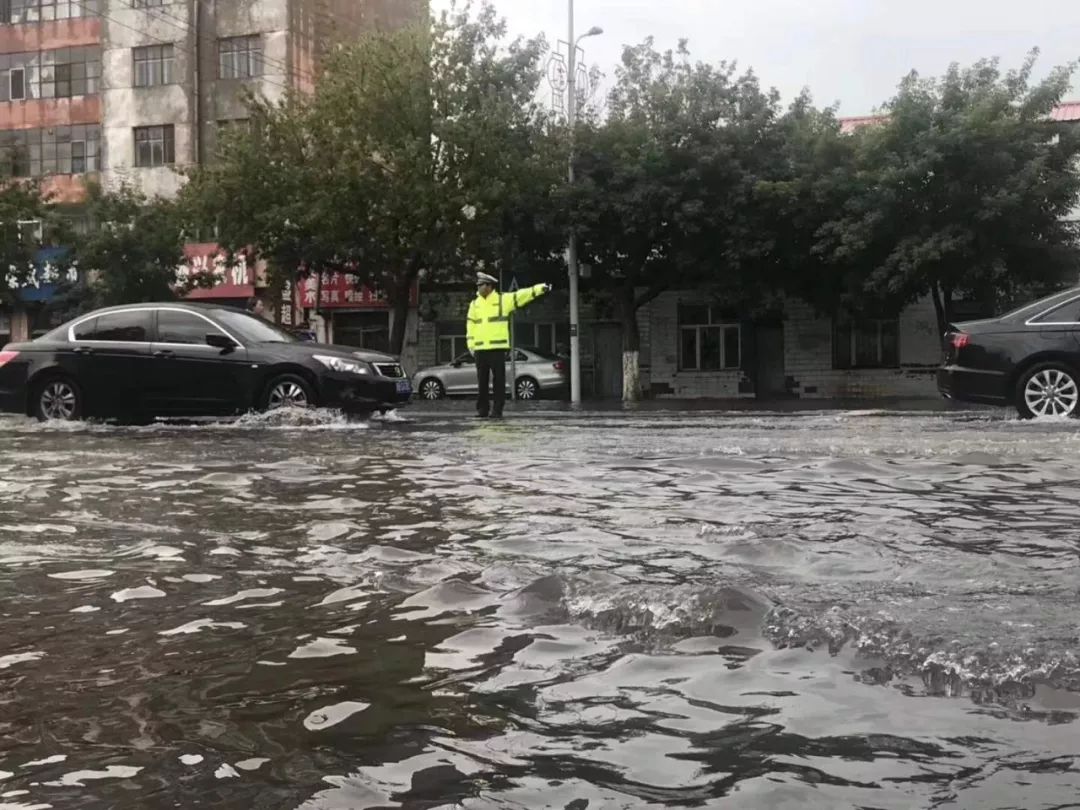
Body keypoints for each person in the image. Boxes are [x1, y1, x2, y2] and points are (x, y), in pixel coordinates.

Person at [467, 271, 552, 418]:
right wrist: (471, 345)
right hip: (480, 349)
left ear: (489, 286)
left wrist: (539, 288)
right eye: (478, 285)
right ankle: (482, 410)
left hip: (497, 348)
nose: (478, 288)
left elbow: (521, 295)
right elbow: (470, 325)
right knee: (482, 383)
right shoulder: (474, 304)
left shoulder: (502, 300)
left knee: (499, 382)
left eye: (481, 285)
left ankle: (497, 410)